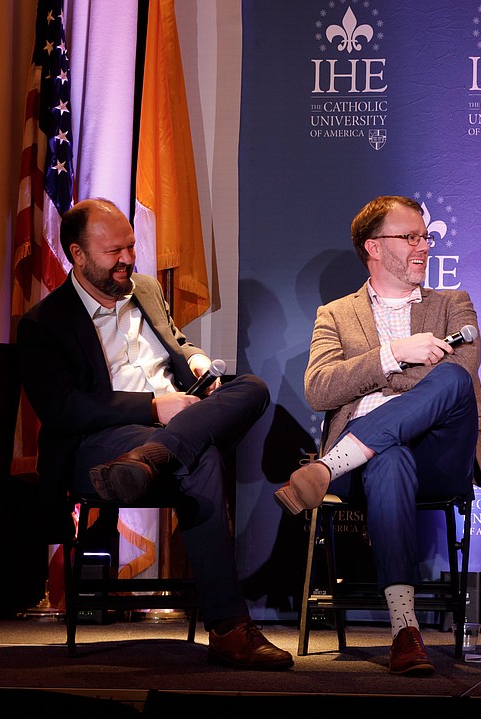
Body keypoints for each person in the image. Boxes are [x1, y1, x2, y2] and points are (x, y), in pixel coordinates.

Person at [16, 198, 292, 670]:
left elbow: (173, 342)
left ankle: (159, 452)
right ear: (77, 255)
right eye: (113, 252)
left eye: (131, 246)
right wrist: (153, 407)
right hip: (102, 445)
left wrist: (195, 358)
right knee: (200, 457)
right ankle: (229, 629)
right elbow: (63, 409)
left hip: (166, 432)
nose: (127, 259)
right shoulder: (44, 324)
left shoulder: (144, 288)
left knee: (252, 387)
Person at [275, 195, 481, 675]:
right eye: (410, 237)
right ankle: (405, 629)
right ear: (373, 247)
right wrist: (393, 353)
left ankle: (324, 468)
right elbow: (319, 388)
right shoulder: (335, 314)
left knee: (454, 380)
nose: (424, 246)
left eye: (426, 237)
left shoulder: (453, 304)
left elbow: (461, 372)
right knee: (387, 455)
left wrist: (381, 383)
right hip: (376, 464)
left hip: (442, 453)